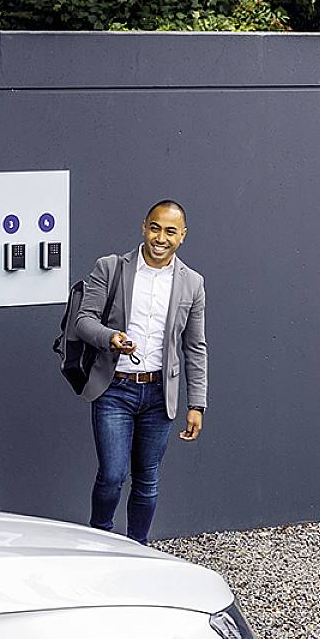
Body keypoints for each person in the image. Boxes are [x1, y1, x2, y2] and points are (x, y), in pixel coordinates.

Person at [74, 200, 207, 545]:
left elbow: (195, 347)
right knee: (113, 474)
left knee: (147, 478)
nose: (161, 237)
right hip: (114, 388)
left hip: (159, 394)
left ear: (183, 236)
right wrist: (110, 338)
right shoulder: (111, 268)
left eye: (170, 231)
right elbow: (83, 321)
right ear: (144, 227)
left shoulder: (192, 283)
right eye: (155, 228)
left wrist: (197, 404)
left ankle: (138, 548)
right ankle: (99, 542)